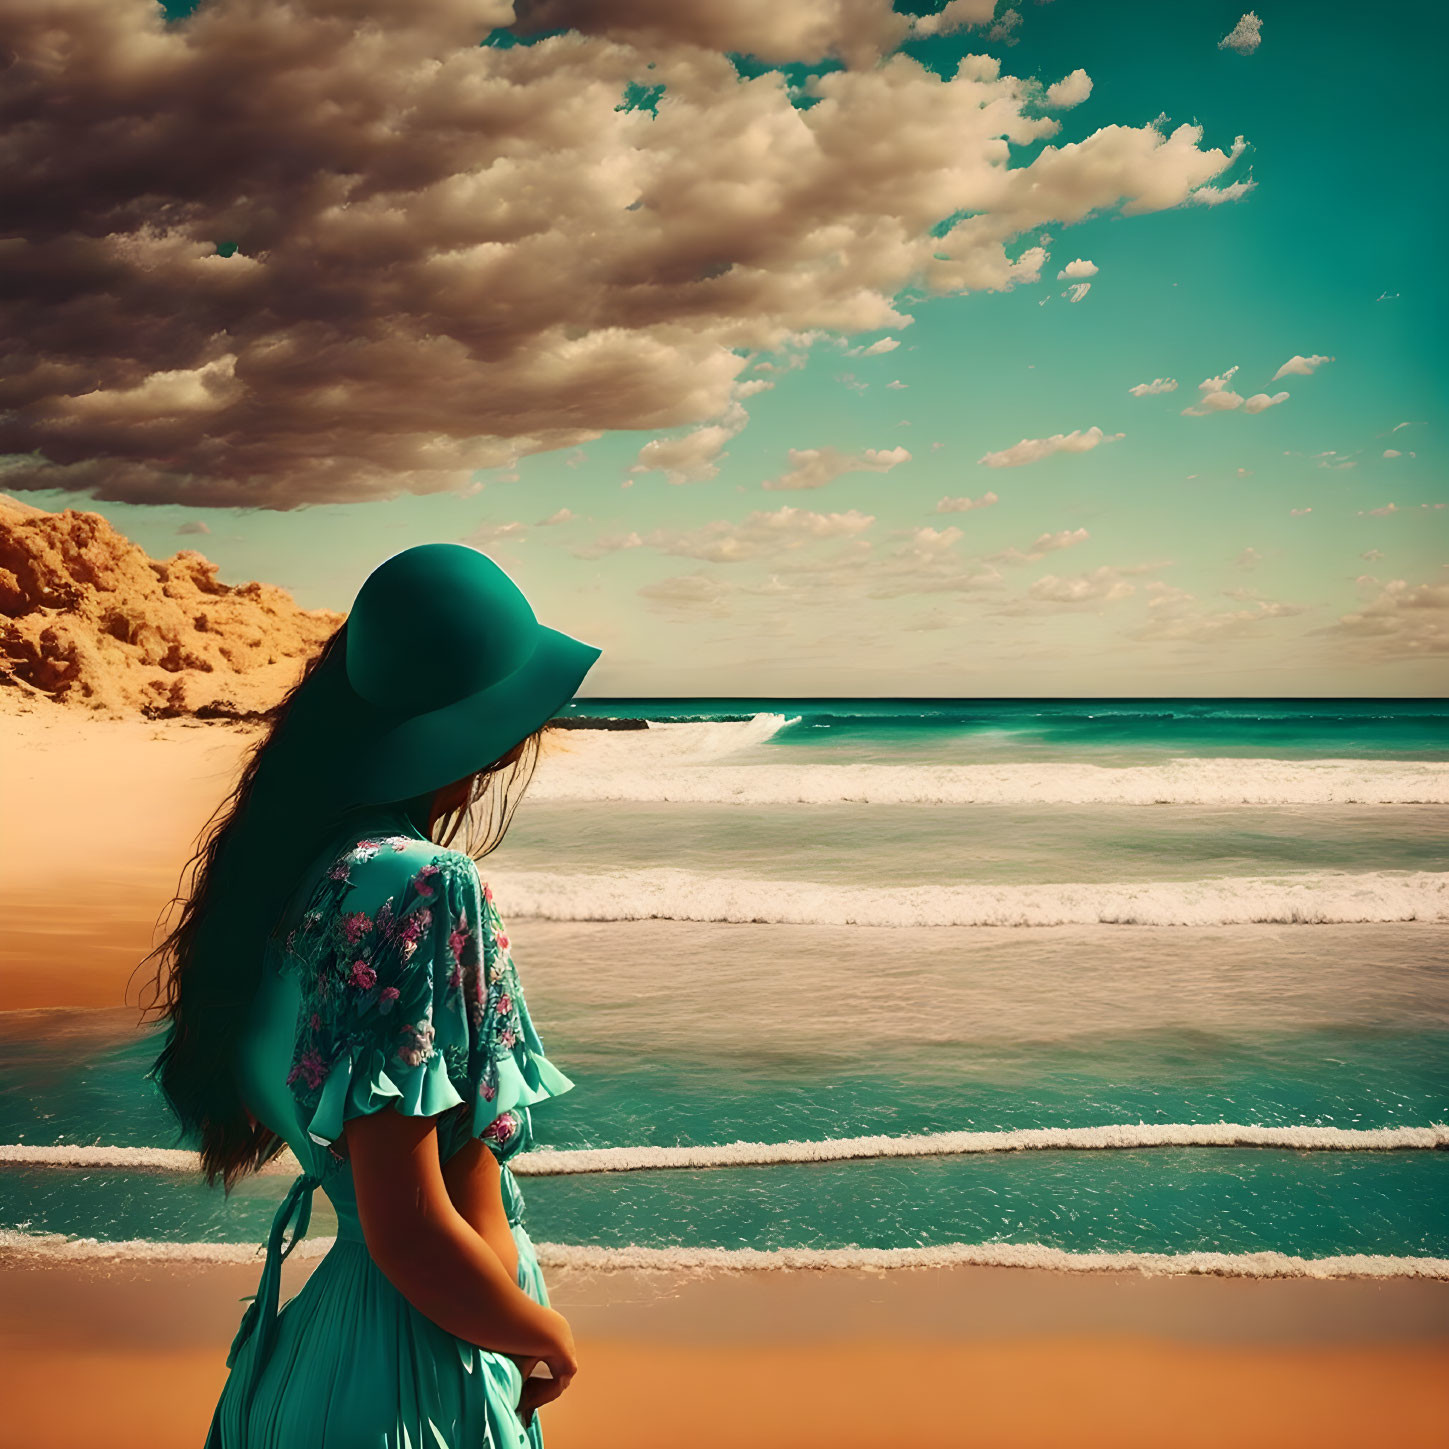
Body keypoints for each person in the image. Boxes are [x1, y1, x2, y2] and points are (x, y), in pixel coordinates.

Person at [138, 542, 602, 1447]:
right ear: (496, 732)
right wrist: (544, 1335)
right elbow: (414, 1227)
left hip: (300, 1364)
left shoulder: (287, 874)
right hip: (416, 1372)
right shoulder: (422, 881)